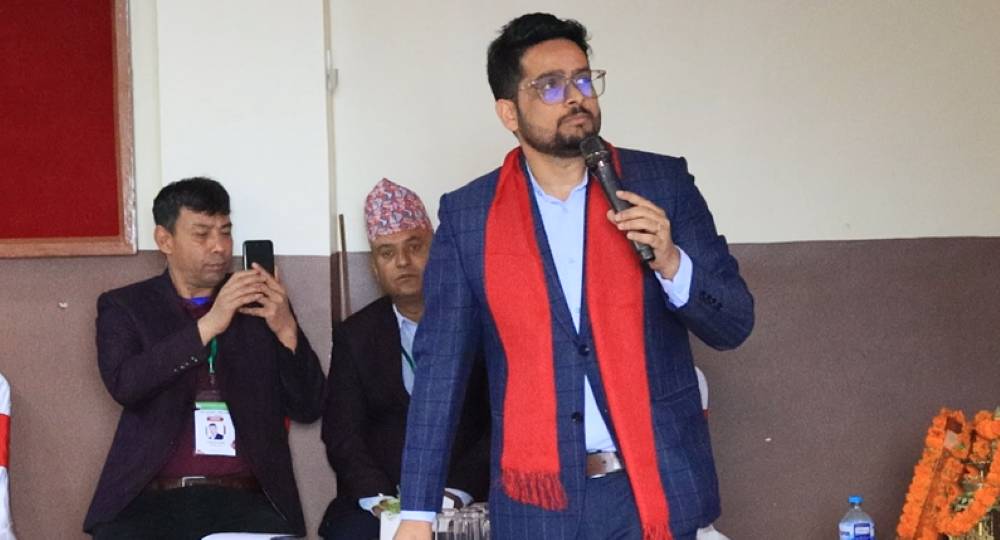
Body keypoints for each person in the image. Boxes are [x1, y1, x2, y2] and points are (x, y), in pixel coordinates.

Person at [393, 13, 754, 540]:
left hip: (657, 488)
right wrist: (417, 513)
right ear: (508, 112)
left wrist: (672, 262)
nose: (575, 96)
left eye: (583, 79)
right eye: (550, 85)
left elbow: (735, 323)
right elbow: (440, 372)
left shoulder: (662, 183)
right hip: (540, 503)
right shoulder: (470, 216)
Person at [84, 177, 326, 540]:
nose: (219, 247)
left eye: (225, 232)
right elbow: (126, 385)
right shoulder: (126, 306)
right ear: (164, 240)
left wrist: (286, 328)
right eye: (202, 234)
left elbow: (309, 406)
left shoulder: (259, 302)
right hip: (149, 504)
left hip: (245, 501)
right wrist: (210, 323)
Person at [319, 179, 491, 540]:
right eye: (387, 253)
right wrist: (381, 500)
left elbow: (499, 424)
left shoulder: (479, 324)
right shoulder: (356, 336)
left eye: (414, 246)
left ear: (438, 250)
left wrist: (456, 493)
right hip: (380, 502)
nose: (402, 262)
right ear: (374, 267)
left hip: (469, 498)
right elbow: (343, 434)